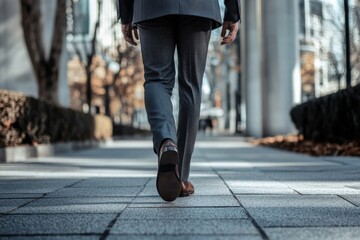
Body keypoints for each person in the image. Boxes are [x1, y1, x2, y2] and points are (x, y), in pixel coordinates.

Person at [118, 0, 240, 202]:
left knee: (156, 79)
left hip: (152, 7)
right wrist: (232, 11)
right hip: (199, 7)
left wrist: (126, 12)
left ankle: (167, 141)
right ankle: (180, 176)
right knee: (191, 85)